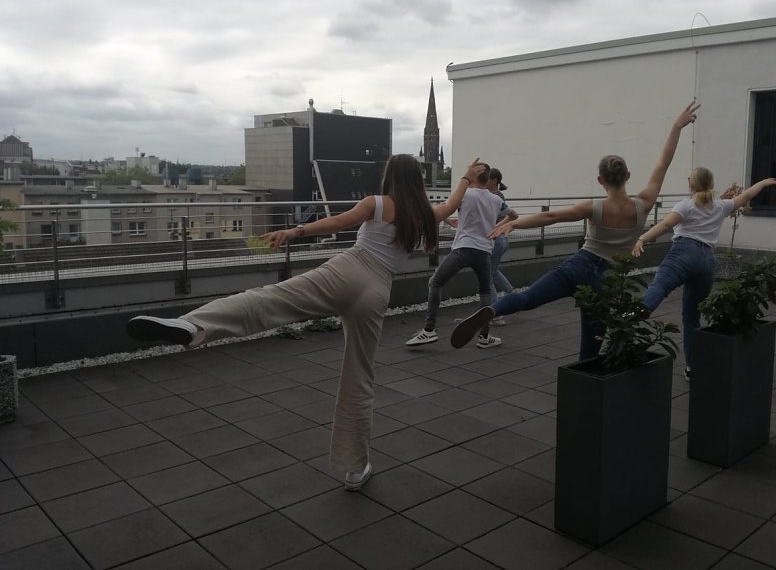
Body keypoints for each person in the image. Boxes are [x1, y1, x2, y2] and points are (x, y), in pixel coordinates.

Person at [126, 154, 485, 492]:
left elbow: (337, 222)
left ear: (390, 177)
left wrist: (294, 232)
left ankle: (194, 326)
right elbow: (453, 203)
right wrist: (467, 176)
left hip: (349, 269)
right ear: (418, 181)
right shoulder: (425, 214)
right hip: (378, 289)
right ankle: (355, 466)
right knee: (360, 377)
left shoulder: (376, 203)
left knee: (271, 300)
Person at [450, 102, 701, 359]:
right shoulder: (643, 204)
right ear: (627, 175)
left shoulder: (594, 207)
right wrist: (676, 127)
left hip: (579, 266)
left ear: (600, 180)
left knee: (528, 298)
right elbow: (663, 163)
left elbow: (551, 216)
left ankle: (494, 310)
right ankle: (586, 380)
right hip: (607, 279)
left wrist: (514, 222)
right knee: (591, 345)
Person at [633, 169, 776, 381]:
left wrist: (642, 239)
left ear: (691, 184)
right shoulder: (720, 205)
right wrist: (763, 182)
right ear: (710, 185)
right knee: (692, 317)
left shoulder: (686, 205)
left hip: (683, 253)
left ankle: (630, 318)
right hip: (707, 261)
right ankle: (692, 367)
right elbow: (746, 196)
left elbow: (666, 225)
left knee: (659, 288)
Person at [406, 162, 506, 349]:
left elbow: (447, 207)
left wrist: (446, 219)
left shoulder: (465, 194)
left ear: (474, 176)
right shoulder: (496, 199)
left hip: (464, 248)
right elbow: (514, 215)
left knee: (436, 282)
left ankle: (429, 330)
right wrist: (501, 226)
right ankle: (484, 336)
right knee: (484, 290)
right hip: (484, 250)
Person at [487, 168, 518, 326]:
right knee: (494, 271)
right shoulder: (499, 196)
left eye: (487, 179)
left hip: (496, 240)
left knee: (488, 276)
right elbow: (511, 215)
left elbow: (513, 216)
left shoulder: (494, 196)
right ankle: (512, 295)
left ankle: (495, 314)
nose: (485, 181)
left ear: (494, 181)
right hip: (502, 239)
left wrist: (495, 227)